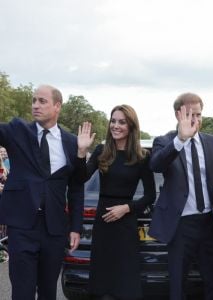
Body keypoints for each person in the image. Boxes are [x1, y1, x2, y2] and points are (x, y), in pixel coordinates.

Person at [0, 85, 84, 300]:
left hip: (54, 229)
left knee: (48, 291)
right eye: (34, 100)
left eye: (42, 101)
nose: (35, 105)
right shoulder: (17, 132)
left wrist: (75, 227)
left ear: (57, 106)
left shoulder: (72, 142)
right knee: (22, 292)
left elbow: (76, 189)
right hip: (22, 227)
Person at [77, 104, 156, 300]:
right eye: (113, 121)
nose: (116, 125)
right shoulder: (102, 151)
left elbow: (150, 195)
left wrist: (127, 208)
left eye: (122, 122)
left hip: (125, 223)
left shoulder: (142, 157)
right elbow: (80, 178)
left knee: (125, 283)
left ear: (131, 126)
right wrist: (81, 152)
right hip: (103, 222)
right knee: (101, 283)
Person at [149, 93, 213, 300]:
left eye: (198, 114)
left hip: (209, 223)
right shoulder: (164, 141)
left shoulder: (212, 142)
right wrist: (180, 139)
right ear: (177, 114)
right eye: (189, 114)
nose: (194, 119)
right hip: (181, 224)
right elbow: (156, 165)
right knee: (178, 283)